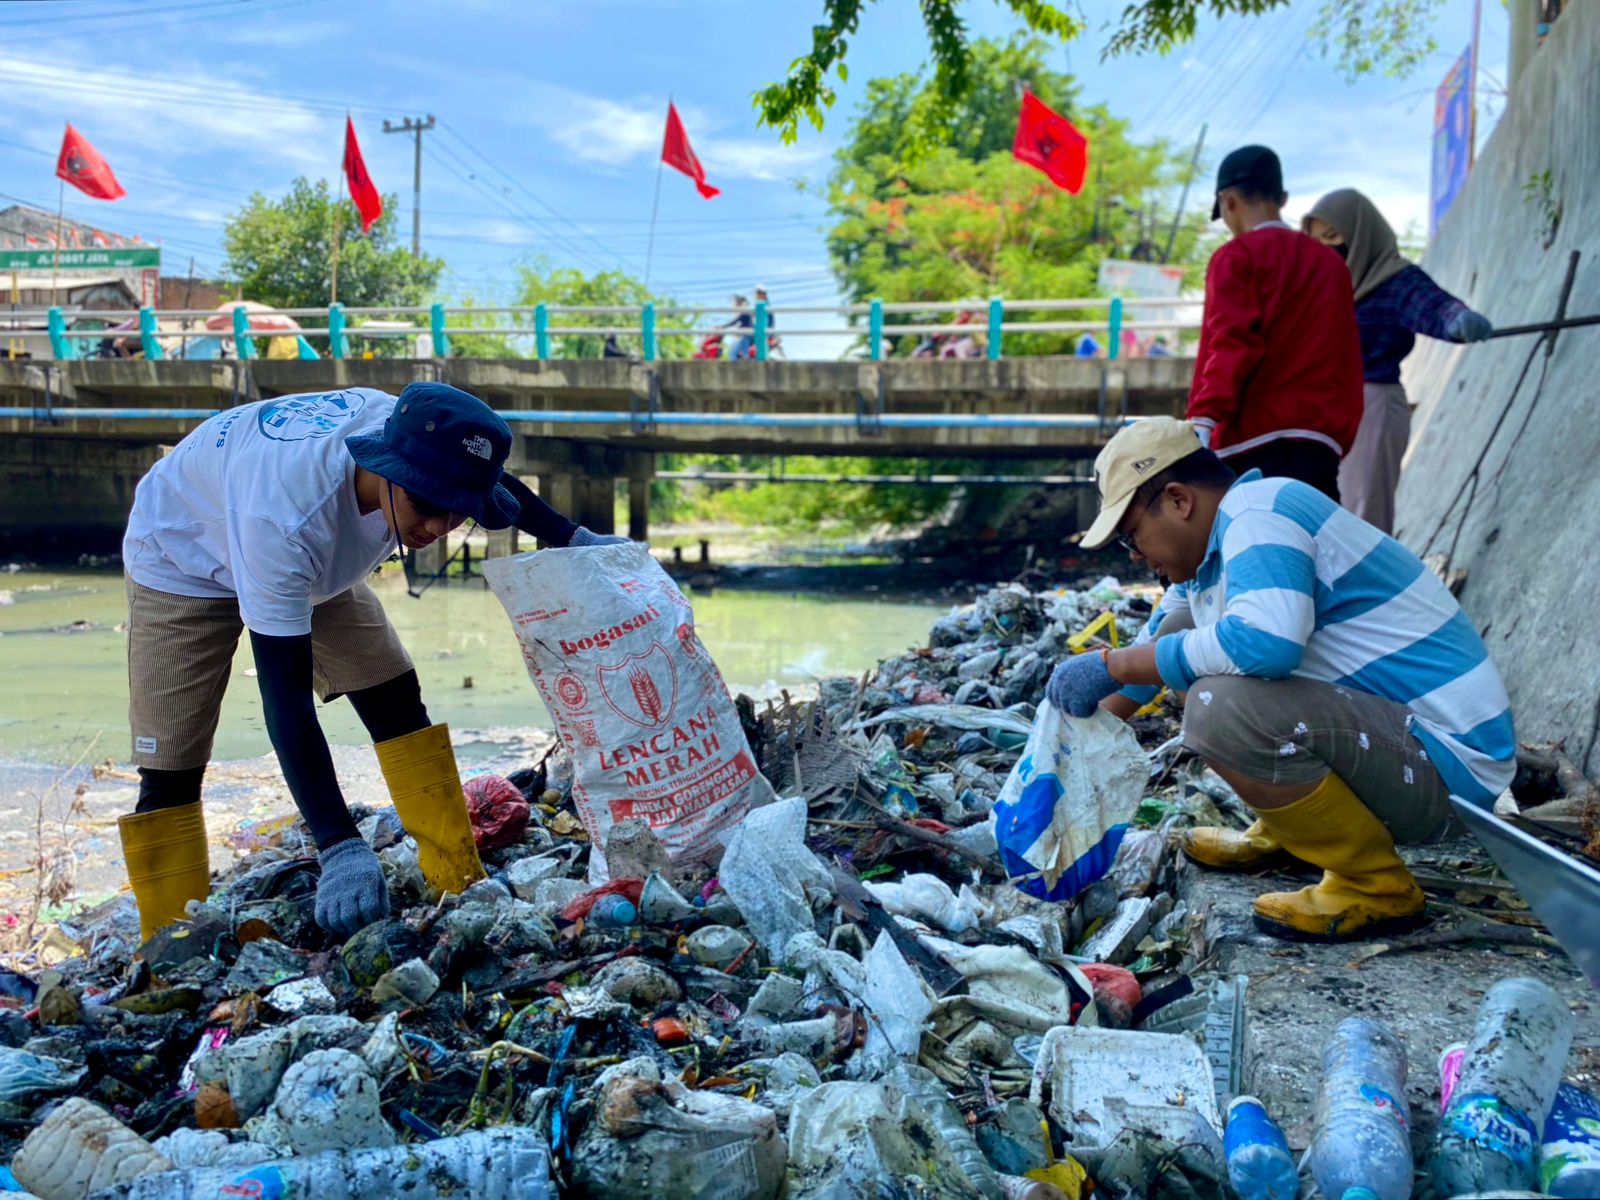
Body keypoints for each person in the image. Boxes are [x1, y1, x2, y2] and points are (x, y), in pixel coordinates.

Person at [118, 382, 626, 941]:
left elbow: (479, 478)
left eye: (458, 514)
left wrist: (570, 536)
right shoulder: (285, 520)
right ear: (384, 468)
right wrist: (339, 844)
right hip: (184, 553)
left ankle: (455, 874)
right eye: (426, 505)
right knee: (172, 766)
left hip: (310, 556)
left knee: (394, 697)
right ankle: (170, 946)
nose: (438, 529)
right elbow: (285, 701)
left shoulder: (420, 430)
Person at [1046, 417, 1514, 942]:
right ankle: (1291, 829)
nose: (1134, 556)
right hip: (1401, 745)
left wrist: (1112, 665)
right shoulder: (1208, 561)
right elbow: (1148, 655)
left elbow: (1266, 643)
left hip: (1451, 770)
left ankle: (1375, 885)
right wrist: (1058, 755)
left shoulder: (1260, 512)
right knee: (1181, 647)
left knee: (1218, 707)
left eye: (1132, 535)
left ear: (1178, 500)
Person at [1302, 189, 1494, 533]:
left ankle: (1374, 589)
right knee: (1331, 521)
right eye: (1314, 241)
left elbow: (1433, 304)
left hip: (1371, 407)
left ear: (1362, 235)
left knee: (1364, 520)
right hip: (1327, 411)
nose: (1323, 249)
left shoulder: (1392, 280)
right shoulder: (1324, 292)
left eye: (1331, 236)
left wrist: (1458, 319)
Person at [1189, 145, 1364, 501]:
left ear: (1228, 201)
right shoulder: (1331, 265)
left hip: (1251, 445)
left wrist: (1204, 417)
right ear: (1282, 197)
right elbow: (1344, 357)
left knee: (1260, 551)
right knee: (1312, 550)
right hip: (1320, 446)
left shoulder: (1235, 257)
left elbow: (1232, 342)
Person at [724, 293, 754, 360]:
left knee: (733, 353)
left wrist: (722, 327)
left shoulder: (744, 311)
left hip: (745, 336)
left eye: (738, 302)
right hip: (745, 335)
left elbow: (734, 322)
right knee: (739, 354)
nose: (736, 304)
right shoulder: (745, 311)